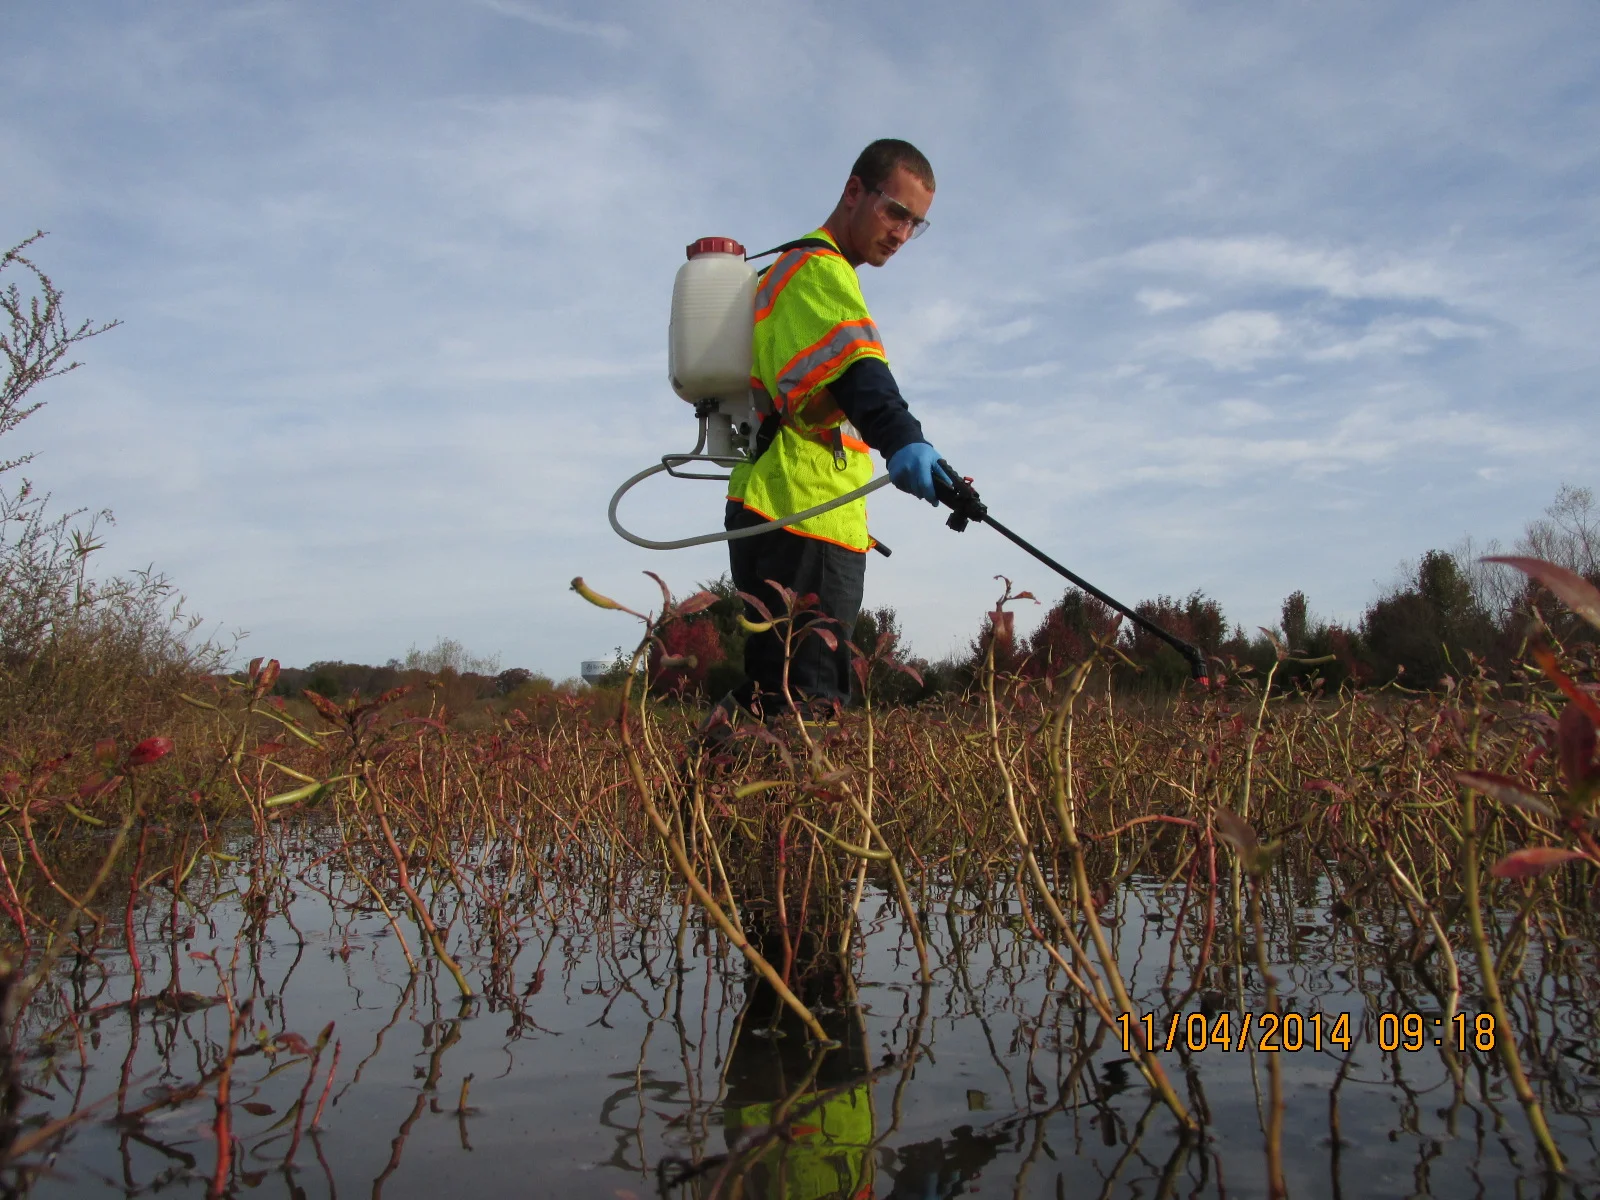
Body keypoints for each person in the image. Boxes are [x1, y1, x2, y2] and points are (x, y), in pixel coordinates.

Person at [719, 138, 948, 725]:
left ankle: (695, 785)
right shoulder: (818, 269)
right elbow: (857, 370)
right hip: (804, 513)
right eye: (895, 212)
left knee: (773, 693)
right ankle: (731, 787)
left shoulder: (791, 273)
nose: (902, 233)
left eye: (915, 224)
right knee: (808, 706)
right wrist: (904, 439)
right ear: (853, 191)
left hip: (779, 509)